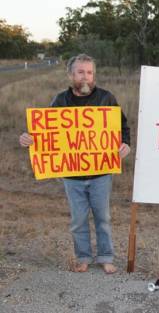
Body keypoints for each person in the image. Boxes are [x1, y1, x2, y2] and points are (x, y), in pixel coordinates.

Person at [19, 54, 130, 274]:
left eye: (89, 72)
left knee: (103, 217)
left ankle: (106, 257)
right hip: (71, 175)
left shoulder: (106, 98)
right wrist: (28, 138)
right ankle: (83, 257)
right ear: (71, 75)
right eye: (80, 72)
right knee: (78, 219)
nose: (86, 77)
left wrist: (125, 143)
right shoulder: (59, 101)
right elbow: (44, 133)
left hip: (101, 172)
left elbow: (122, 126)